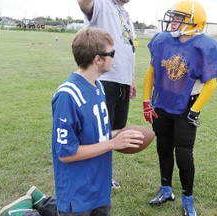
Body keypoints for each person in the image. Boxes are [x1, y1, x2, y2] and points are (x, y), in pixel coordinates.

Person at [0, 27, 144, 216]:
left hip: (99, 184)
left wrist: (120, 136)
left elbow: (98, 134)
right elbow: (66, 153)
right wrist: (112, 143)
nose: (115, 57)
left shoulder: (98, 86)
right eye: (112, 53)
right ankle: (20, 214)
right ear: (98, 59)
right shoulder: (68, 96)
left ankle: (41, 200)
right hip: (78, 189)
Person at [142, 0, 217, 215]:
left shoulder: (205, 45)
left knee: (183, 154)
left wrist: (195, 109)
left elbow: (211, 81)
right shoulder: (162, 40)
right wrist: (146, 101)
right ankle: (166, 189)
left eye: (179, 17)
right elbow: (151, 71)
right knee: (163, 147)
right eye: (173, 16)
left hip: (186, 107)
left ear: (195, 21)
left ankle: (187, 197)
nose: (172, 21)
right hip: (162, 103)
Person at [77, 0, 136, 189]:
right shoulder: (103, 5)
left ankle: (104, 175)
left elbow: (126, 48)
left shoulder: (124, 12)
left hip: (122, 81)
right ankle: (96, 177)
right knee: (99, 134)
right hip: (105, 80)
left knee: (113, 132)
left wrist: (130, 78)